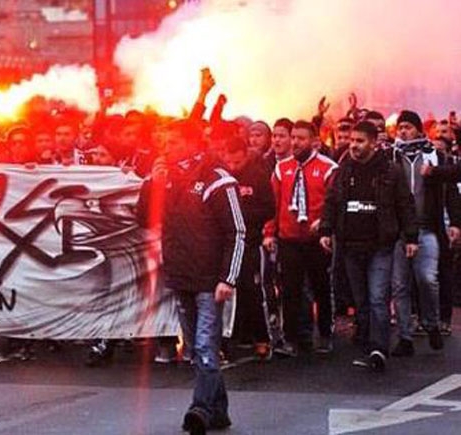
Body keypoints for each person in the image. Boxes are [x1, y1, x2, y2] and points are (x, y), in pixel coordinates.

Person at [138, 119, 245, 434]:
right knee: (196, 351)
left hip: (209, 280)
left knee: (205, 346)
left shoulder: (217, 180)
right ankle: (219, 410)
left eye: (172, 143)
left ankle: (199, 409)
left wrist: (228, 278)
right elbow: (143, 218)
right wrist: (151, 185)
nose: (166, 149)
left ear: (191, 143)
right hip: (181, 277)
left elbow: (236, 231)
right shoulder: (166, 178)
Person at [320, 121, 418, 372]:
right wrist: (326, 230)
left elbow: (405, 204)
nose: (354, 145)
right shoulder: (344, 169)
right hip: (350, 245)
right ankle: (366, 343)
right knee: (361, 301)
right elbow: (332, 200)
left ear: (374, 143)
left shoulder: (390, 171)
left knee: (377, 298)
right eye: (352, 140)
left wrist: (411, 237)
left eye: (360, 141)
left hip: (380, 245)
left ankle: (379, 349)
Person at [389, 110, 461, 355]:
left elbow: (451, 188)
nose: (403, 132)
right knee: (399, 285)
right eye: (400, 127)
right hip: (398, 232)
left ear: (419, 130)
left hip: (427, 229)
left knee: (427, 279)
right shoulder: (391, 156)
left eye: (408, 127)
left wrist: (455, 223)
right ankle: (405, 336)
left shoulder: (435, 156)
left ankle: (431, 323)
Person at [264, 120, 338, 356]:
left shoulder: (328, 168)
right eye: (293, 137)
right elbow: (272, 204)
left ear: (314, 141)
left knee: (321, 287)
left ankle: (325, 334)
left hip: (316, 239)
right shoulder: (281, 169)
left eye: (301, 138)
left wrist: (326, 226)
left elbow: (333, 203)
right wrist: (269, 233)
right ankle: (292, 339)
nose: (295, 142)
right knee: (290, 289)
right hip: (289, 238)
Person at [220, 137, 275, 360]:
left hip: (250, 242)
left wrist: (243, 216)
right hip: (226, 244)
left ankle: (263, 337)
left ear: (245, 156)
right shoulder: (221, 177)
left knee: (253, 290)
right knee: (224, 292)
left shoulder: (258, 176)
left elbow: (269, 208)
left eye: (238, 162)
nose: (234, 167)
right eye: (230, 162)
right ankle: (228, 338)